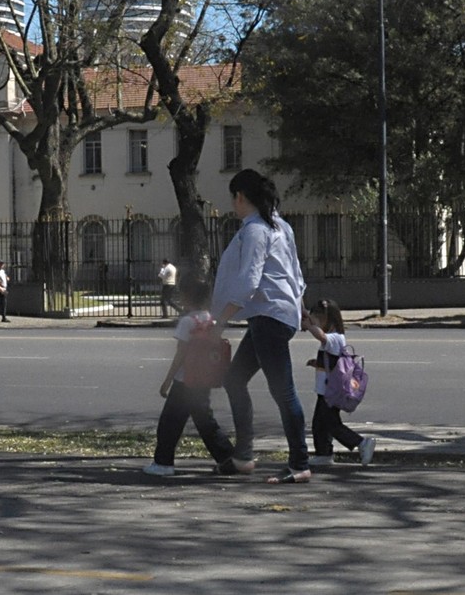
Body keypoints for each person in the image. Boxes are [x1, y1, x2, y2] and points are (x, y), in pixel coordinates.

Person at [209, 168, 311, 485]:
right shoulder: (281, 226)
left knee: (283, 392)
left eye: (233, 199)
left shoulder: (255, 230)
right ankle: (243, 457)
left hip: (268, 316)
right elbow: (294, 275)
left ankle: (299, 463)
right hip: (275, 315)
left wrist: (219, 322)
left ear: (240, 197)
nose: (233, 205)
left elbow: (247, 283)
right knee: (234, 379)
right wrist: (301, 309)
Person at [143, 276, 236, 477]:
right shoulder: (210, 319)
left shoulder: (187, 322)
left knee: (169, 423)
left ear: (186, 297)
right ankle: (228, 457)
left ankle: (163, 463)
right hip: (204, 379)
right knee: (205, 421)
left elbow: (180, 354)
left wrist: (167, 380)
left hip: (184, 381)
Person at [302, 298, 376, 466]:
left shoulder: (335, 338)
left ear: (327, 320)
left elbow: (321, 337)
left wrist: (309, 326)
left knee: (331, 424)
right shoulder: (333, 340)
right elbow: (331, 362)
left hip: (331, 392)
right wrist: (317, 362)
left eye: (317, 321)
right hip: (325, 391)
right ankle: (324, 454)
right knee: (319, 424)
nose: (316, 325)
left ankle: (361, 443)